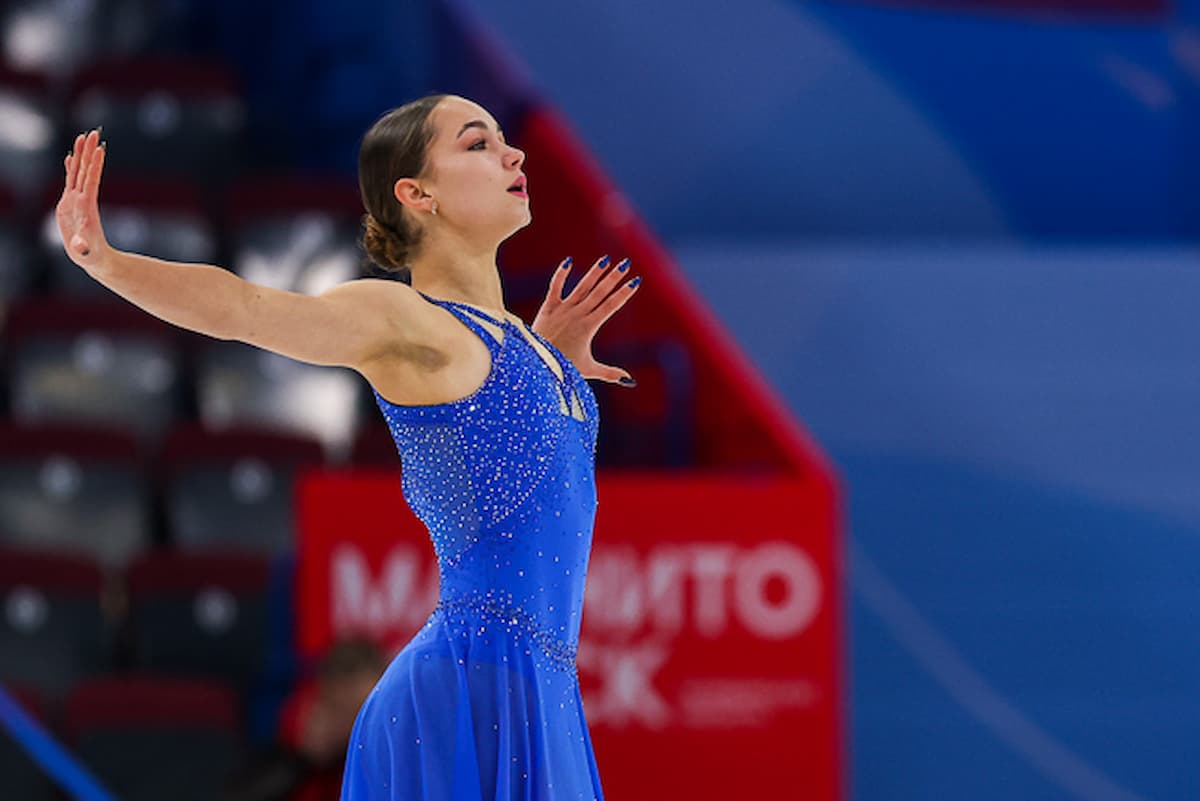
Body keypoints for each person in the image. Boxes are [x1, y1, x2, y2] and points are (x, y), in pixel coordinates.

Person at [57, 93, 642, 800]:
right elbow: (247, 308)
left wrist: (549, 360)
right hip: (466, 686)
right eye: (477, 144)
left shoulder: (523, 341)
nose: (512, 154)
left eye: (502, 140)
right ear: (416, 193)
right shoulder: (405, 319)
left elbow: (516, 454)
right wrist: (108, 262)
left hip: (538, 684)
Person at [223, 638, 388, 801]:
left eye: (366, 714)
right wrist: (302, 760)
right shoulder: (288, 734)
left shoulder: (394, 746)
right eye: (346, 712)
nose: (355, 726)